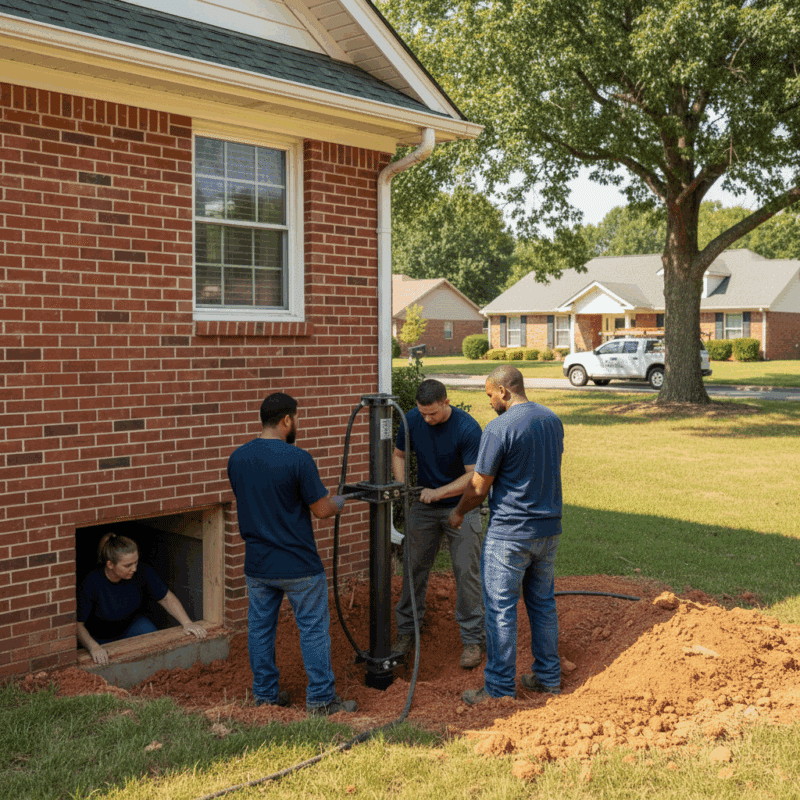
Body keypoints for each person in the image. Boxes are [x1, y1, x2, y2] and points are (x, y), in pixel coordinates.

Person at [227, 392, 357, 715]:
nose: (297, 424)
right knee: (312, 629)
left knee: (259, 630)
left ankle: (266, 697)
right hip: (299, 565)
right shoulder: (298, 459)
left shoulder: (237, 459)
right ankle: (322, 701)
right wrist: (342, 499)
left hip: (258, 566)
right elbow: (322, 510)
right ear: (287, 419)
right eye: (296, 418)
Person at [448, 365, 564, 703]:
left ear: (504, 391)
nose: (489, 402)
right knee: (542, 605)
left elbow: (479, 486)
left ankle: (498, 690)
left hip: (510, 533)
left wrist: (458, 512)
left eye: (489, 395)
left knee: (500, 609)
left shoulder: (499, 427)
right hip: (548, 530)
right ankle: (548, 678)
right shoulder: (552, 420)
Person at [393, 378, 485, 669]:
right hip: (423, 506)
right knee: (413, 566)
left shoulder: (467, 427)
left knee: (466, 571)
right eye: (423, 413)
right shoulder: (411, 419)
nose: (427, 418)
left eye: (432, 413)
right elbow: (398, 455)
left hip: (462, 506)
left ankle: (473, 638)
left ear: (446, 402)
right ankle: (408, 631)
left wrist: (439, 493)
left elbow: (473, 477)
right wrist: (402, 485)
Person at [76, 533, 207, 666]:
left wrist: (187, 623)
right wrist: (94, 648)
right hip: (100, 636)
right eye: (127, 565)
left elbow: (166, 598)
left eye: (136, 562)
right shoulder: (91, 582)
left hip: (131, 625)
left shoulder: (142, 571)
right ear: (110, 564)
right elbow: (77, 624)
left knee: (154, 642)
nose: (134, 568)